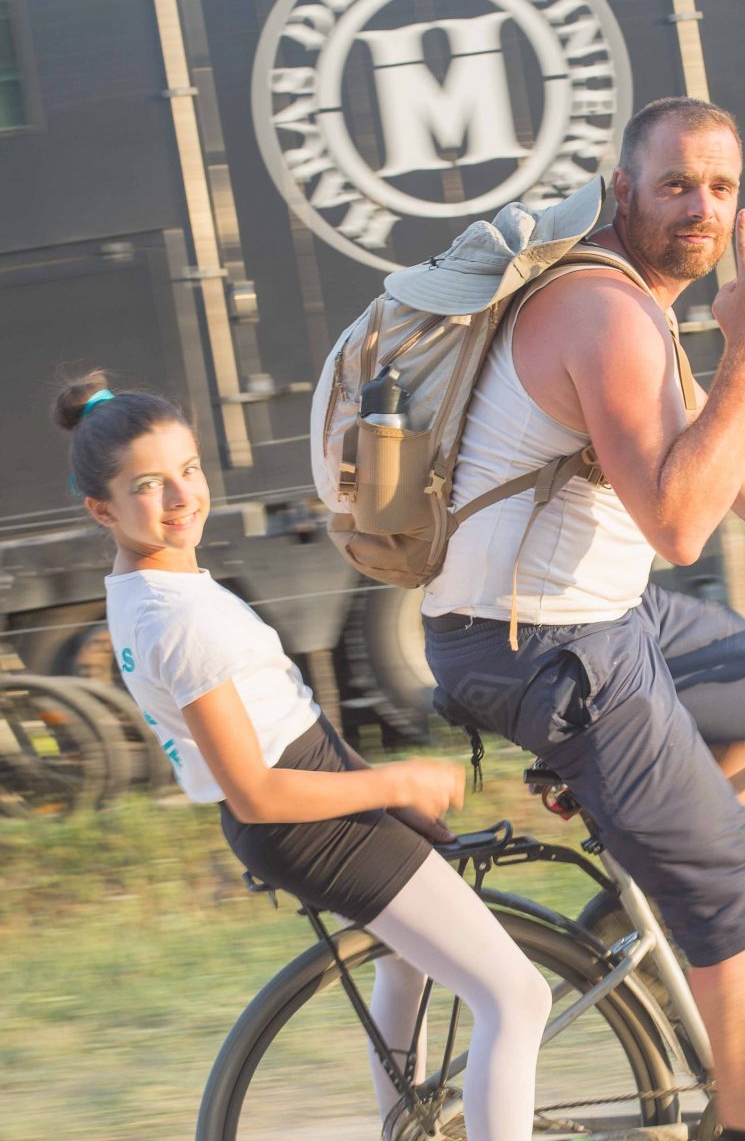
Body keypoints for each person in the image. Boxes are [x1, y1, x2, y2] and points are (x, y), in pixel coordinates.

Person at [421, 97, 745, 1141]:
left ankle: (644, 900)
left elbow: (720, 456)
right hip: (549, 645)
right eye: (677, 184)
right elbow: (684, 524)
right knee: (738, 892)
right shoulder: (605, 313)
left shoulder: (630, 298)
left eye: (721, 187)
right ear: (623, 192)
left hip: (586, 616)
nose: (702, 208)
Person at [52, 373, 550, 1141]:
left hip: (315, 790)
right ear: (102, 510)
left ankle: (408, 1129)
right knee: (516, 997)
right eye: (148, 486)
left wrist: (372, 783)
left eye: (189, 469)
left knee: (406, 964)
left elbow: (283, 713)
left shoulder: (148, 590)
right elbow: (254, 790)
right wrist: (395, 779)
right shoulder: (175, 620)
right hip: (302, 815)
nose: (181, 496)